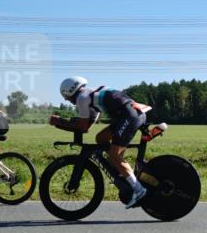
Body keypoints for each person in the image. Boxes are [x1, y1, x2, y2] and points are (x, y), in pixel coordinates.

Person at [49, 76, 150, 207]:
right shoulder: (90, 95)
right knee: (101, 138)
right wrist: (66, 122)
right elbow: (87, 126)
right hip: (131, 114)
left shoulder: (81, 98)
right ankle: (119, 170)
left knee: (114, 154)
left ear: (70, 92)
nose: (69, 101)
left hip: (129, 116)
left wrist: (58, 122)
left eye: (67, 98)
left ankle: (138, 190)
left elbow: (82, 127)